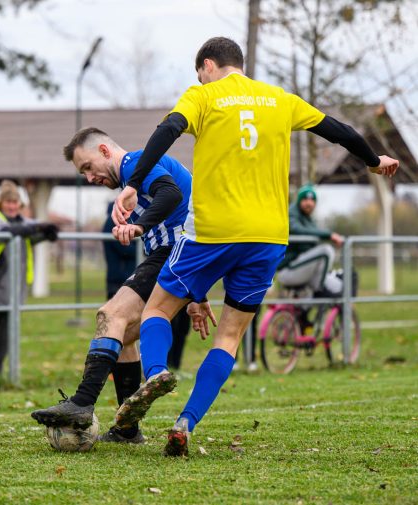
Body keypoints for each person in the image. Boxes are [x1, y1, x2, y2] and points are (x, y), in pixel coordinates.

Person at [111, 36, 399, 457]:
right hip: (267, 237)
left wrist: (134, 184)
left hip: (213, 231)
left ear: (207, 65)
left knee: (156, 309)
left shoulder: (204, 95)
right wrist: (374, 161)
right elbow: (339, 131)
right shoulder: (280, 99)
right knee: (229, 337)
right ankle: (185, 424)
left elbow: (168, 130)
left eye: (200, 73)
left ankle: (155, 372)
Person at [30, 127, 194, 443]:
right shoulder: (136, 172)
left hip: (176, 251)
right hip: (184, 254)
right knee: (119, 338)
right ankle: (127, 429)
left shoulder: (133, 162)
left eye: (88, 167)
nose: (89, 177)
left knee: (110, 316)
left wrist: (138, 226)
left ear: (105, 151)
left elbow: (171, 193)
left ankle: (82, 401)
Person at [0, 180, 57, 387]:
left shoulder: (22, 222)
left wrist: (47, 232)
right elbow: (9, 230)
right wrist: (38, 225)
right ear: (0, 203)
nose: (11, 206)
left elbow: (29, 232)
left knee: (4, 341)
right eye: (8, 202)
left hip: (13, 293)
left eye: (15, 202)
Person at [277, 184, 345, 303]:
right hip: (288, 271)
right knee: (326, 250)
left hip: (299, 268)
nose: (309, 203)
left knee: (340, 286)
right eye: (305, 199)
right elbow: (297, 230)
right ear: (299, 200)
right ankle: (319, 290)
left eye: (312, 200)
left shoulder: (307, 218)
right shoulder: (292, 214)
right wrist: (329, 235)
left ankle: (304, 318)